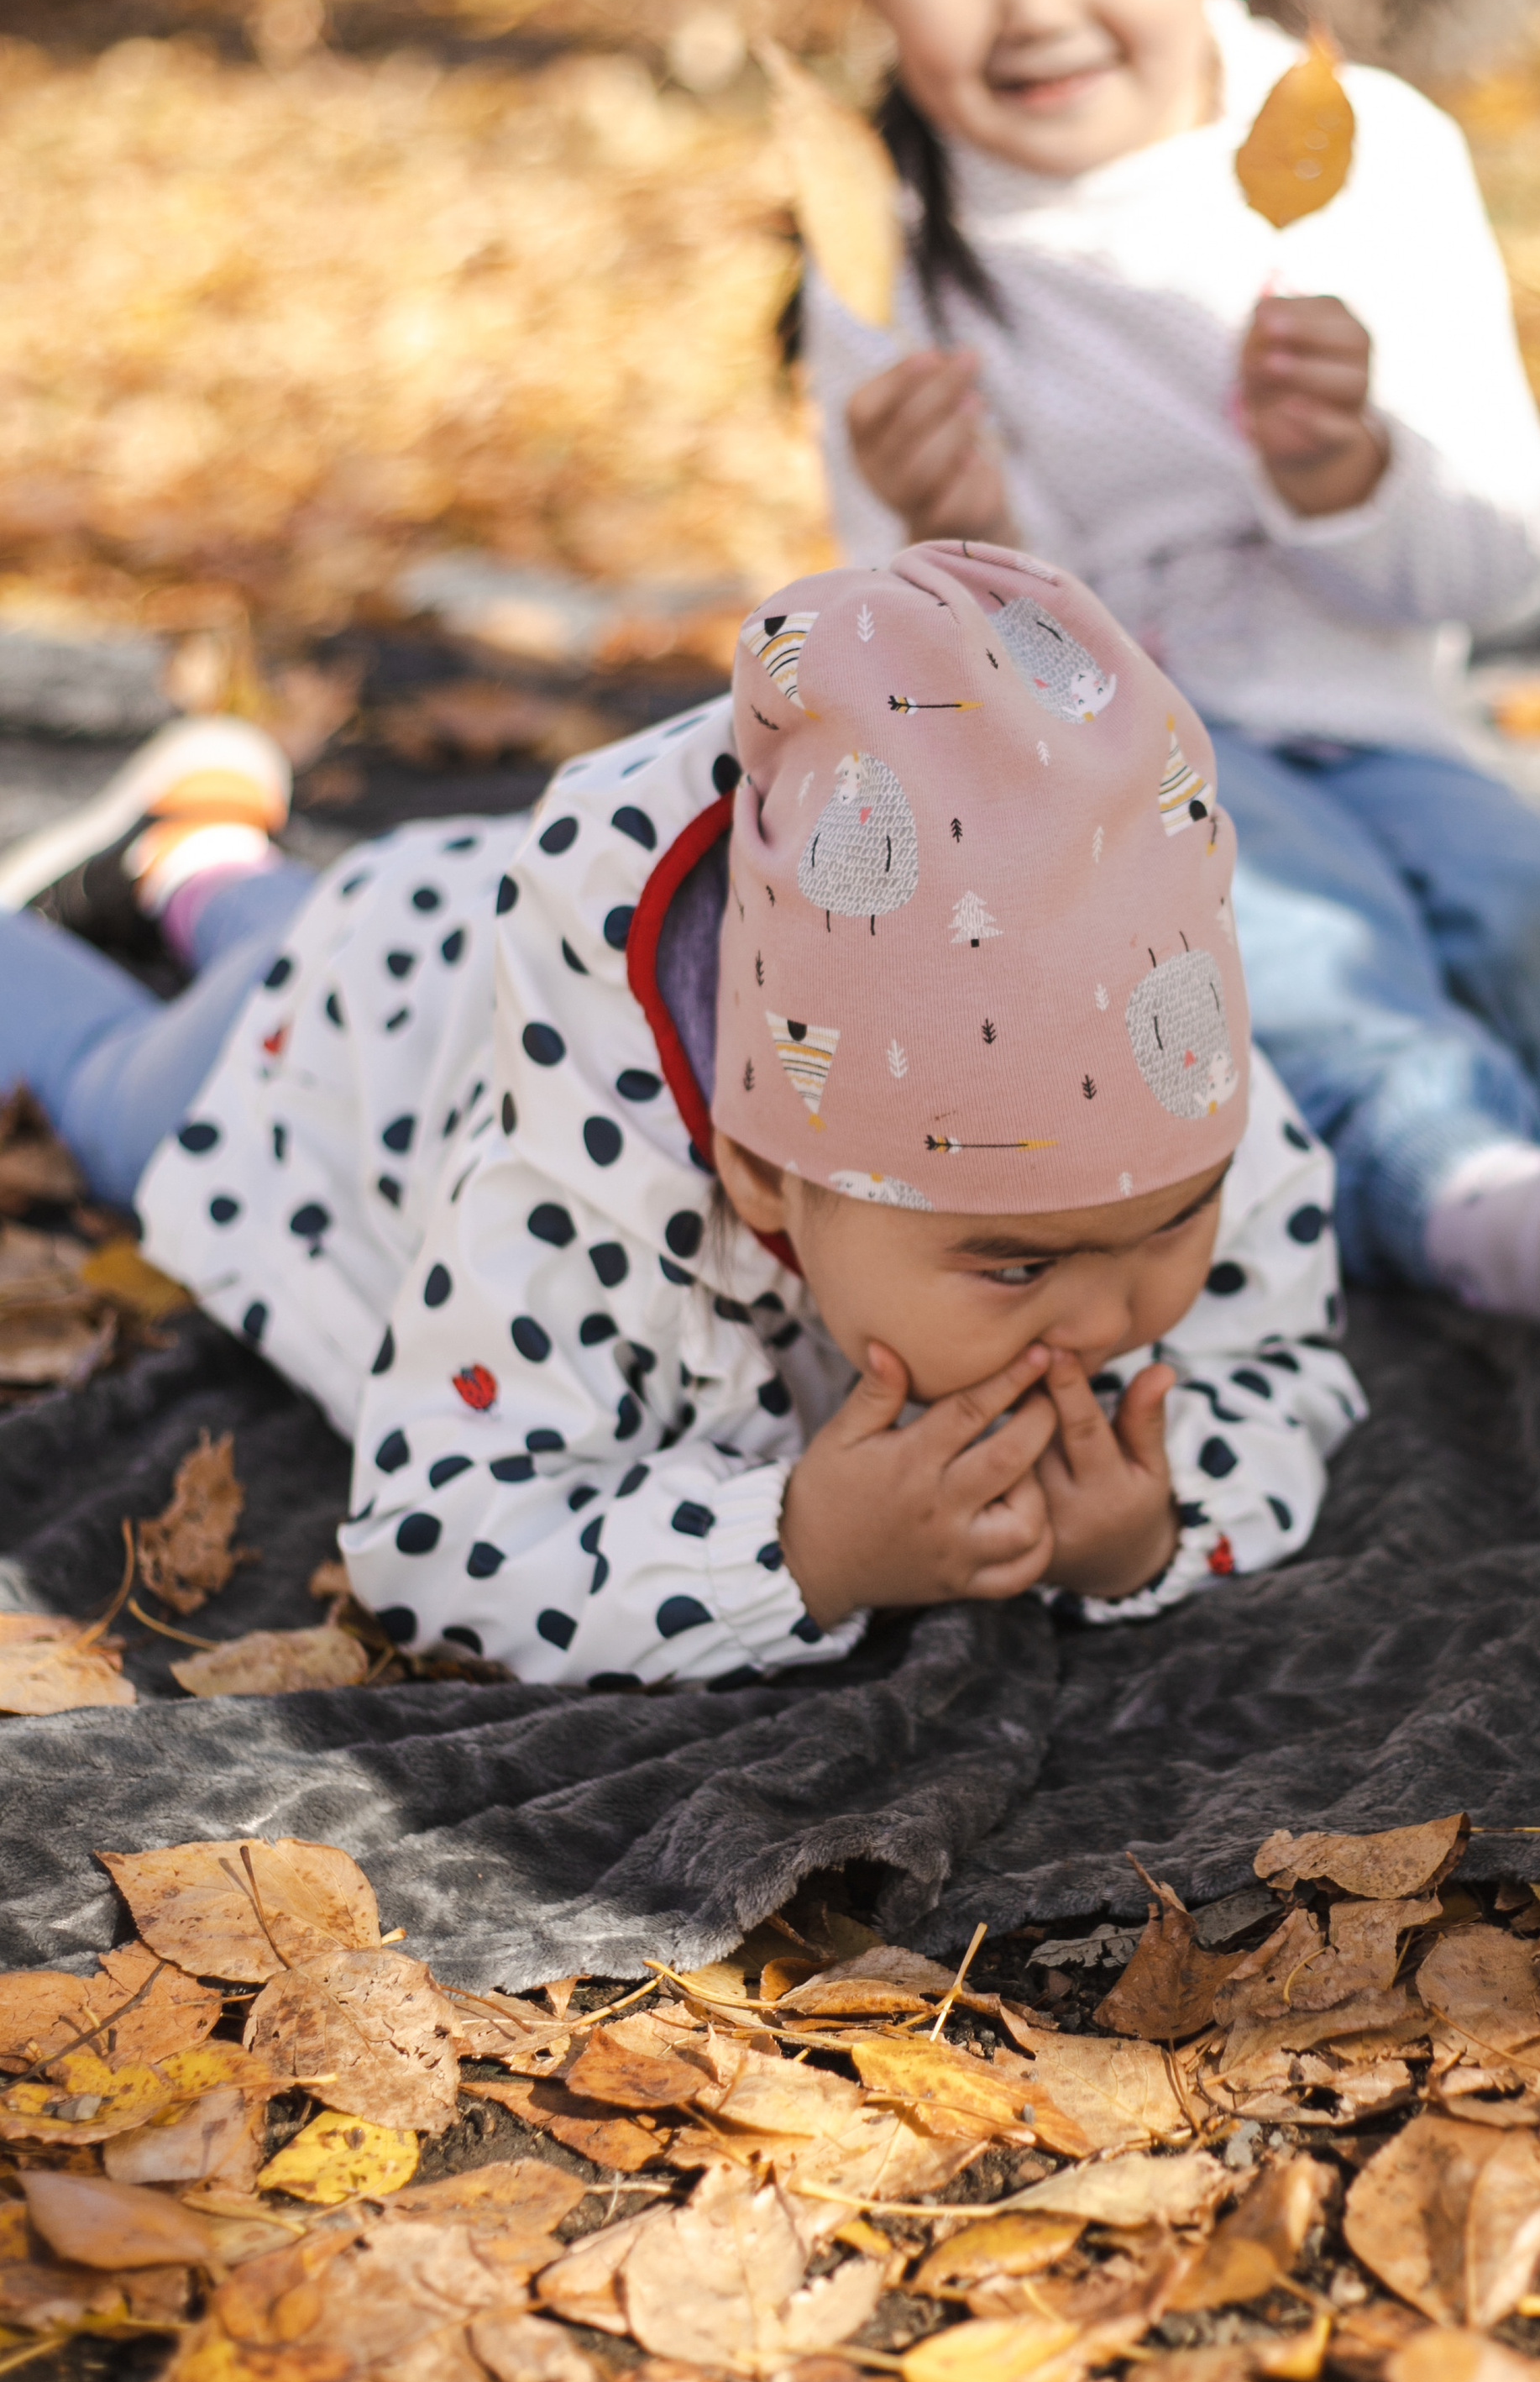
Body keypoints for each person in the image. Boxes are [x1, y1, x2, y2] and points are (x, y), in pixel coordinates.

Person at [798, 0, 1540, 1337]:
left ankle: (1225, 1121)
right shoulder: (885, 260)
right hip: (1094, 797)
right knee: (1274, 917)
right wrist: (956, 546)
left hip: (1369, 735)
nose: (1034, 3)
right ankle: (1471, 1200)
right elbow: (921, 728)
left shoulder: (1364, 158)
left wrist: (1350, 472)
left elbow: (1482, 569)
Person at [0, 546, 1365, 1686]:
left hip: (434, 921)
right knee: (125, 1088)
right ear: (768, 1181)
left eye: (1175, 1221)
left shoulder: (1156, 1068)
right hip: (335, 1042)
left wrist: (1151, 1529)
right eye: (1017, 1266)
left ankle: (202, 844)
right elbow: (445, 1533)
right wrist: (797, 1551)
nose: (1113, 1319)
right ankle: (148, 890)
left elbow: (1283, 1363)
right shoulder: (584, 1194)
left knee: (281, 913)